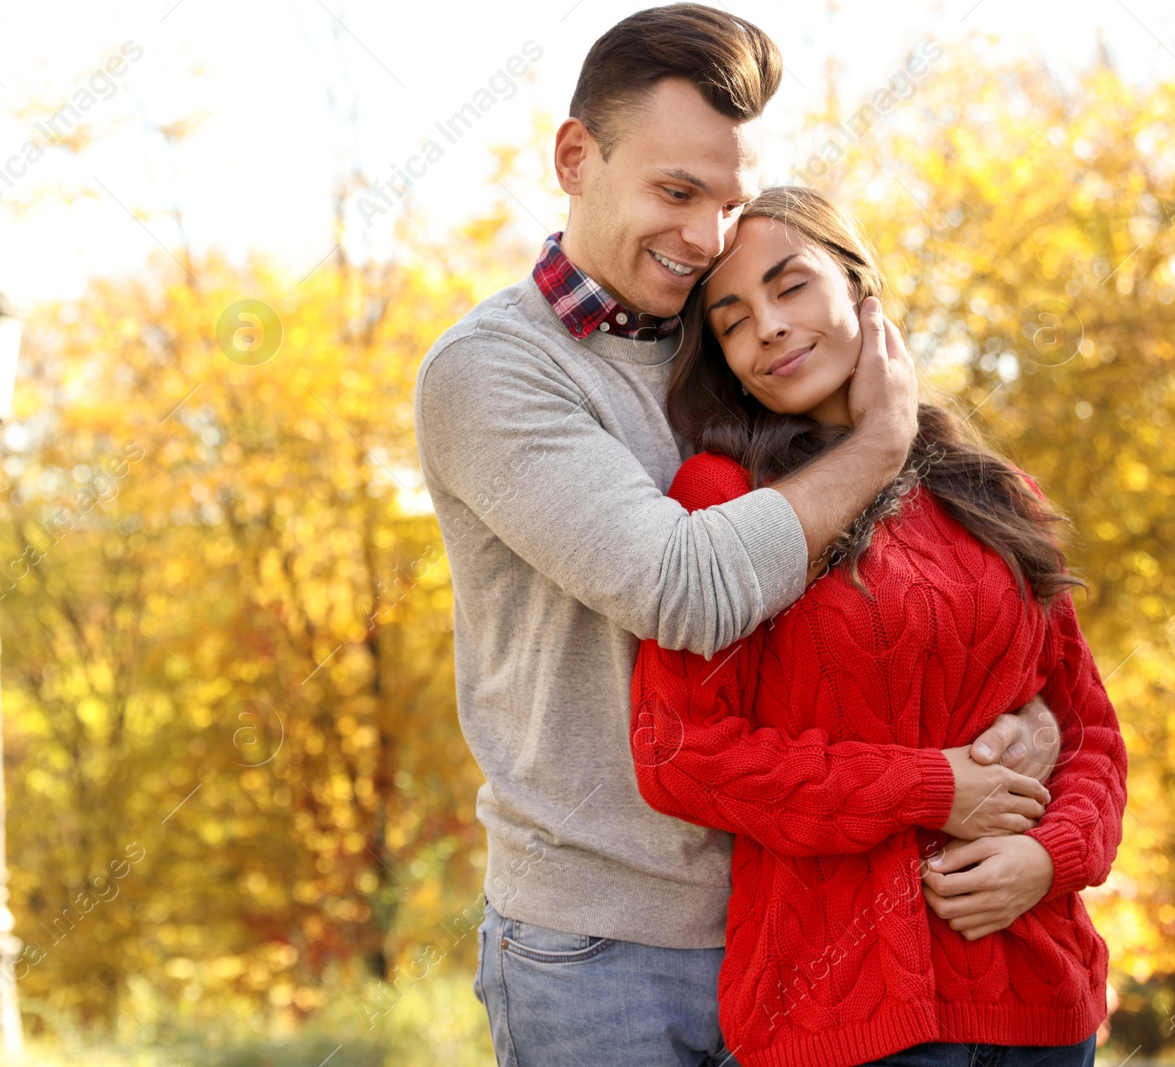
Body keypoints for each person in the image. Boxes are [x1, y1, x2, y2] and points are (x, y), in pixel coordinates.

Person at [413, 6, 1062, 1064]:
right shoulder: (493, 373)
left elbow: (886, 608)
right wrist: (881, 440)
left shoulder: (740, 350)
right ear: (575, 157)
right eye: (675, 191)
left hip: (810, 919)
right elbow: (686, 587)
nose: (706, 237)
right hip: (603, 948)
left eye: (731, 200)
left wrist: (1018, 719)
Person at [631, 186, 1127, 1067]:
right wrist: (931, 787)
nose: (770, 328)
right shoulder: (724, 498)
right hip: (845, 1016)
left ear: (860, 289)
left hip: (1042, 996)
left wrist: (1050, 857)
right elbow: (681, 754)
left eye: (791, 287)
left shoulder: (997, 494)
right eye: (734, 319)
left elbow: (1087, 725)